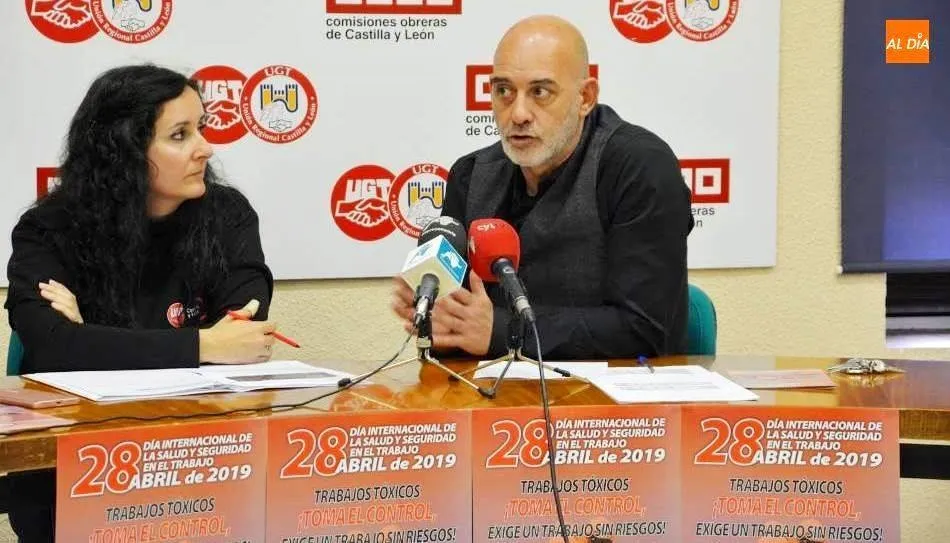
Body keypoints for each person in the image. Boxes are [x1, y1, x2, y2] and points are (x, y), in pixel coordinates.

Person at [3, 64, 276, 542]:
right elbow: (50, 349)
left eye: (202, 128)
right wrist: (201, 345)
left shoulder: (228, 216)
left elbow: (243, 342)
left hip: (193, 462)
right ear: (123, 151)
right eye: (180, 135)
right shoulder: (49, 229)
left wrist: (90, 339)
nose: (205, 148)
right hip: (72, 467)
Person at [391, 15, 694, 360]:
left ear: (585, 97)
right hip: (493, 399)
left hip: (612, 406)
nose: (518, 113)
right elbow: (457, 326)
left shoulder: (639, 167)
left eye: (540, 92)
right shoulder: (470, 175)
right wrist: (431, 311)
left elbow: (648, 331)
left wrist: (504, 332)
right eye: (503, 91)